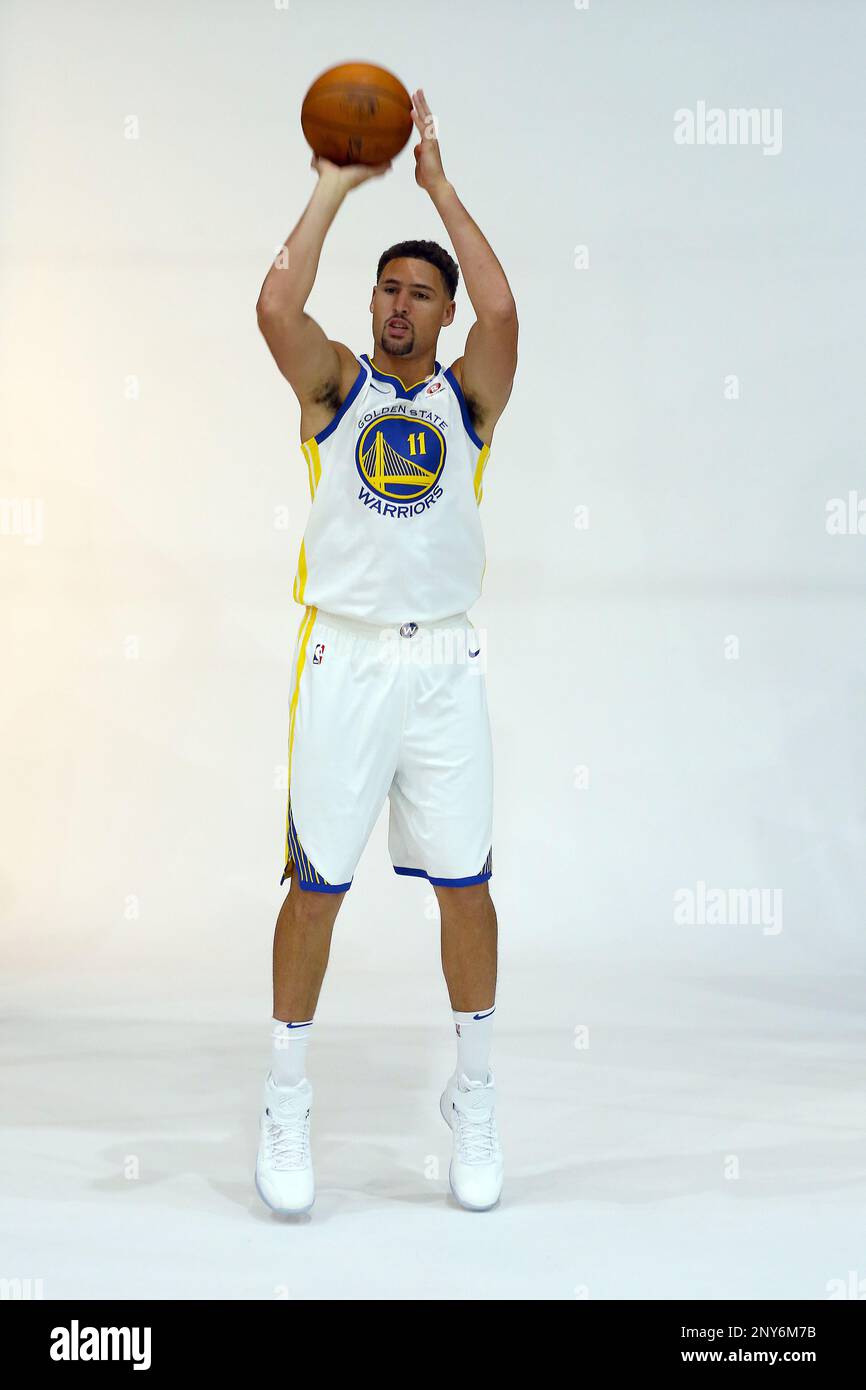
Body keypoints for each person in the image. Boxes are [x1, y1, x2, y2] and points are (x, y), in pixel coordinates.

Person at [253, 88, 518, 1214]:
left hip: (444, 668)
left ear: (442, 314)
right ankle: (284, 1096)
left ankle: (477, 1092)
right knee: (316, 890)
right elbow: (273, 303)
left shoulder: (467, 401)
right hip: (346, 665)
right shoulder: (335, 391)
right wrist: (332, 184)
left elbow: (507, 311)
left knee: (466, 888)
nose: (400, 305)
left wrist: (438, 191)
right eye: (388, 288)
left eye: (420, 293)